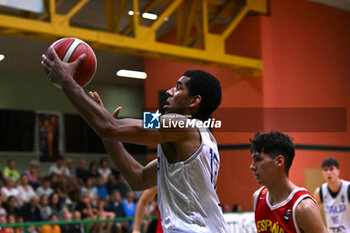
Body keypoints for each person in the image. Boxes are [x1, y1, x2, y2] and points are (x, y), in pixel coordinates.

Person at [41, 51, 228, 232]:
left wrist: (67, 81)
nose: (170, 91)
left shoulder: (179, 123)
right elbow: (138, 178)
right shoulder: (202, 139)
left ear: (194, 101)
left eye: (179, 87)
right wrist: (109, 134)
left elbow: (110, 126)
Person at [250, 131, 327, 233]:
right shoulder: (257, 198)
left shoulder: (304, 208)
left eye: (258, 159)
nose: (252, 166)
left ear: (279, 161)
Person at [313, 157, 350, 233]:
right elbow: (314, 215)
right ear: (322, 173)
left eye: (331, 169)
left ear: (338, 171)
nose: (328, 173)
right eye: (325, 170)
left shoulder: (348, 188)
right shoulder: (319, 192)